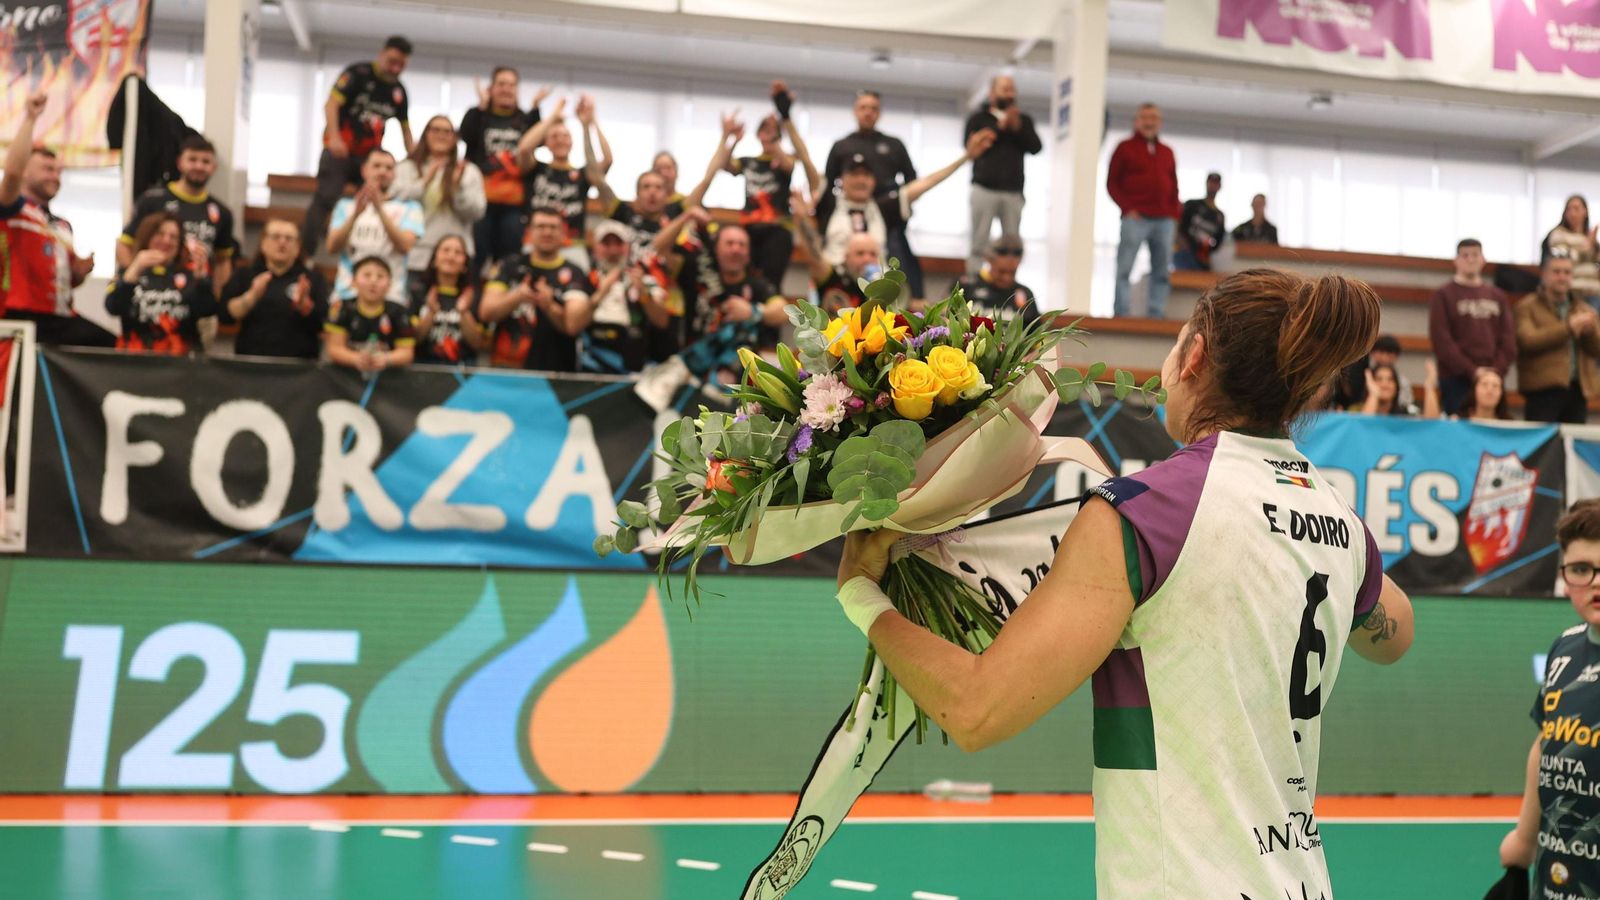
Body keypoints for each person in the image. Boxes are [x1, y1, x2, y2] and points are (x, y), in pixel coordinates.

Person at [832, 267, 1413, 899]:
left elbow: (976, 709)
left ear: (1193, 356)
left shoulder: (1143, 509)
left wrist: (863, 592)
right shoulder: (1340, 521)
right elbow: (1395, 635)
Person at [1498, 500, 1600, 898]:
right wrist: (1524, 841)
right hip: (1555, 873)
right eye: (1580, 569)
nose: (1595, 582)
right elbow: (1547, 743)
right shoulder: (1564, 649)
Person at [0, 93, 112, 347]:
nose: (56, 177)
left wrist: (80, 272)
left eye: (59, 171)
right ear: (26, 170)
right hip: (22, 316)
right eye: (47, 169)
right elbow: (12, 174)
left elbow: (70, 281)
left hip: (59, 317)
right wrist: (30, 118)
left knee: (112, 345)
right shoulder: (13, 210)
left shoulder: (62, 226)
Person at [813, 131, 995, 276]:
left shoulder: (883, 208)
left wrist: (966, 157)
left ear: (874, 181)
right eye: (854, 174)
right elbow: (807, 161)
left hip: (873, 290)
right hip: (832, 285)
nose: (860, 180)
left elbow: (927, 182)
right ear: (841, 179)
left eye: (866, 175)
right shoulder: (829, 203)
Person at [303, 36, 414, 258]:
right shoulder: (358, 73)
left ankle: (363, 252)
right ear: (382, 53)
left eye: (401, 64)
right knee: (326, 198)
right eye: (392, 61)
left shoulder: (399, 92)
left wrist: (415, 158)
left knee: (376, 198)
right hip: (340, 151)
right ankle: (306, 255)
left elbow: (405, 130)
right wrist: (334, 137)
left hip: (368, 158)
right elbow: (331, 104)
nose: (395, 68)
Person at [825, 90, 925, 296]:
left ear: (880, 113)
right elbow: (826, 182)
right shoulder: (842, 145)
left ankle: (909, 300)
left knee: (897, 257)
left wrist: (902, 206)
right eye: (864, 108)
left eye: (874, 108)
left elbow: (912, 180)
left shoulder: (894, 145)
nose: (868, 113)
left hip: (886, 208)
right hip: (848, 210)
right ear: (855, 111)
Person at [728, 81, 822, 287]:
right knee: (745, 279)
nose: (768, 135)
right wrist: (731, 139)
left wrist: (777, 134)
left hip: (777, 227)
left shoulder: (783, 159)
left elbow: (792, 165)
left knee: (771, 282)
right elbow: (725, 166)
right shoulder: (748, 161)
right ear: (758, 134)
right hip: (750, 226)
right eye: (765, 130)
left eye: (773, 132)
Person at [479, 206, 594, 372]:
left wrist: (549, 306)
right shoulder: (508, 265)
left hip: (556, 373)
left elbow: (573, 326)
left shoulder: (576, 273)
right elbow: (486, 312)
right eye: (540, 226)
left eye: (553, 227)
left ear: (563, 233)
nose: (547, 232)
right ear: (529, 232)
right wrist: (518, 296)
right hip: (506, 371)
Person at [653, 212, 787, 355]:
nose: (736, 250)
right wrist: (687, 216)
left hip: (739, 370)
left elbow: (783, 311)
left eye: (742, 245)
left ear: (748, 254)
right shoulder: (696, 271)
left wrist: (753, 311)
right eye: (729, 243)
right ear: (716, 249)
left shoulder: (757, 285)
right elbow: (659, 248)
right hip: (694, 365)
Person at [117, 134, 238, 288]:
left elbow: (223, 261)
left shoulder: (222, 212)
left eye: (205, 161)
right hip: (148, 293)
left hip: (194, 297)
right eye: (192, 159)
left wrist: (220, 299)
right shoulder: (152, 200)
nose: (199, 166)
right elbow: (124, 244)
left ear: (214, 167)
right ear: (180, 162)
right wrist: (132, 278)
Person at [458, 66, 549, 269]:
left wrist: (536, 108)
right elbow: (466, 136)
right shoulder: (478, 114)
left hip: (514, 204)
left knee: (509, 259)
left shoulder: (525, 119)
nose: (506, 89)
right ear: (492, 88)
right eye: (501, 84)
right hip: (481, 200)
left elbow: (540, 141)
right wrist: (481, 107)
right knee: (477, 256)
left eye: (511, 85)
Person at [515, 96, 612, 271]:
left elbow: (607, 159)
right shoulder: (536, 168)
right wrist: (553, 116)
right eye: (554, 136)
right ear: (546, 143)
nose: (560, 140)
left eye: (565, 136)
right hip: (535, 243)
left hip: (572, 245)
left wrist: (590, 123)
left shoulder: (582, 174)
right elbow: (523, 148)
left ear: (572, 142)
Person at [105, 212, 218, 355]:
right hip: (136, 360)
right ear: (147, 236)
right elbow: (113, 307)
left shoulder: (190, 275)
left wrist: (202, 279)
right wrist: (134, 270)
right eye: (160, 234)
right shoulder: (127, 273)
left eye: (173, 237)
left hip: (182, 362)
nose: (166, 241)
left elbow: (208, 310)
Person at [391, 115, 485, 284]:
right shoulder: (406, 168)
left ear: (455, 138)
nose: (441, 135)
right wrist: (424, 183)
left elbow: (477, 212)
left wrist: (457, 190)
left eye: (447, 131)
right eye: (435, 130)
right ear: (425, 134)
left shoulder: (468, 171)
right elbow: (394, 205)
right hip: (414, 255)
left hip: (455, 260)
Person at [963, 74, 1042, 276]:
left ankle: (1008, 282)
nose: (1009, 93)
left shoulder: (1023, 120)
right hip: (984, 188)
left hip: (1012, 191)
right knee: (979, 240)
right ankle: (973, 283)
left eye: (1011, 89)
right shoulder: (978, 119)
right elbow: (970, 147)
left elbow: (1036, 147)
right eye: (1004, 89)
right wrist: (999, 127)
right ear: (992, 93)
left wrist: (1017, 127)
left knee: (1011, 243)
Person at [220, 217, 331, 359]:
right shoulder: (245, 274)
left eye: (289, 238)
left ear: (297, 247)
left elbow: (324, 324)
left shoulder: (312, 279)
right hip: (251, 364)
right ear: (263, 243)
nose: (282, 242)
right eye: (276, 237)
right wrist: (251, 297)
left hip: (300, 369)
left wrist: (305, 306)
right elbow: (225, 316)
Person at [1108, 103, 1180, 318]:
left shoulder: (1167, 152)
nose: (1149, 122)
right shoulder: (1124, 148)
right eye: (1145, 117)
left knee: (1161, 271)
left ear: (1159, 122)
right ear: (1137, 121)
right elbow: (1112, 183)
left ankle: (1156, 312)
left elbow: (1174, 185)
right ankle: (1121, 312)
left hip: (1164, 220)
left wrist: (1173, 215)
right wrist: (1128, 209)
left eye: (1154, 118)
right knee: (1124, 268)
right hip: (1135, 218)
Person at [1430, 238, 1516, 415]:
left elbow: (1508, 340)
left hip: (1493, 379)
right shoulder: (1443, 295)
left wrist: (1493, 373)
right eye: (1465, 255)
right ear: (1456, 260)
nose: (1470, 259)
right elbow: (1442, 341)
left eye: (1475, 255)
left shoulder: (1497, 296)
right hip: (1456, 379)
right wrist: (1472, 371)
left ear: (1483, 259)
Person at [326, 149, 425, 304]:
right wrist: (355, 215)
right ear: (364, 170)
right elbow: (332, 247)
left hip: (391, 297)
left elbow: (405, 246)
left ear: (395, 174)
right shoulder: (345, 206)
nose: (382, 172)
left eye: (389, 168)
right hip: (347, 294)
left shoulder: (410, 208)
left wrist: (380, 209)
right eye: (377, 166)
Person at [1516, 250, 1600, 424]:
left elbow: (1596, 350)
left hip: (1578, 390)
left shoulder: (1583, 308)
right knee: (1543, 448)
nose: (1562, 277)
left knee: (1573, 448)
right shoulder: (1527, 306)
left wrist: (1590, 332)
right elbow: (1528, 341)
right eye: (1556, 272)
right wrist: (1568, 327)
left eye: (1567, 272)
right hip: (1542, 391)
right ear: (1544, 275)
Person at [581, 219, 672, 374]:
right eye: (606, 244)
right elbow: (573, 324)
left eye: (619, 244)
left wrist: (643, 293)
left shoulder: (645, 279)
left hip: (635, 367)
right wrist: (602, 291)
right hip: (592, 365)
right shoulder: (584, 279)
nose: (613, 251)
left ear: (628, 248)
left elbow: (662, 321)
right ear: (595, 248)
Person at [324, 256, 416, 372]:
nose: (373, 281)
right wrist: (355, 359)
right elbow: (334, 349)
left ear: (389, 284)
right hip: (345, 378)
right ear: (353, 281)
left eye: (380, 276)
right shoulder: (342, 308)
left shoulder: (400, 312)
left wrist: (387, 359)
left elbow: (406, 353)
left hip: (388, 378)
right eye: (367, 275)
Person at [409, 234, 490, 366]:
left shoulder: (474, 296)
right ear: (434, 259)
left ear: (465, 263)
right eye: (445, 250)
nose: (451, 256)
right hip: (423, 369)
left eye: (458, 253)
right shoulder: (418, 293)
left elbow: (479, 344)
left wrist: (464, 313)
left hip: (463, 372)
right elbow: (413, 340)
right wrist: (430, 313)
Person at [795, 208, 879, 314]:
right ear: (846, 257)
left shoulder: (882, 289)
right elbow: (813, 256)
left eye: (873, 254)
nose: (867, 259)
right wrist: (801, 217)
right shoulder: (833, 276)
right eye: (860, 253)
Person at [958, 238, 1038, 325]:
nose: (1006, 278)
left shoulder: (1026, 294)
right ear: (989, 261)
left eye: (1012, 272)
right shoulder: (967, 287)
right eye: (1001, 272)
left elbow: (1036, 333)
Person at [1542, 195, 1600, 307]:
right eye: (1569, 209)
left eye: (1576, 208)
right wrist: (1584, 249)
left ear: (1585, 211)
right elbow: (1561, 261)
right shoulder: (1558, 234)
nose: (1572, 213)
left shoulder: (1590, 238)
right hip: (1572, 291)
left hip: (1595, 290)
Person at [1331, 333, 1412, 410]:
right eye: (1381, 352)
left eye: (1389, 353)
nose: (1385, 357)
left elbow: (1406, 405)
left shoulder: (1402, 381)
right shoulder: (1359, 373)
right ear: (1372, 353)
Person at [1175, 172, 1226, 272]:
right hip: (1183, 253)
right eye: (1211, 182)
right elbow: (1178, 225)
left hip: (1202, 259)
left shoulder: (1219, 216)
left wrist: (1206, 252)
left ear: (1219, 187)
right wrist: (1182, 243)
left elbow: (1218, 242)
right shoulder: (1192, 204)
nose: (1212, 186)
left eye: (1216, 183)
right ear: (1206, 183)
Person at [1357, 361, 1439, 418]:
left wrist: (1429, 387)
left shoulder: (1406, 413)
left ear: (1397, 387)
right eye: (1379, 379)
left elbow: (1431, 425)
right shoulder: (1356, 410)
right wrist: (1373, 394)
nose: (1385, 384)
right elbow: (1363, 428)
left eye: (1390, 379)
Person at [652, 151, 687, 218]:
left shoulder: (684, 201)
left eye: (668, 168)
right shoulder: (644, 204)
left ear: (676, 172)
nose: (664, 174)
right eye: (658, 169)